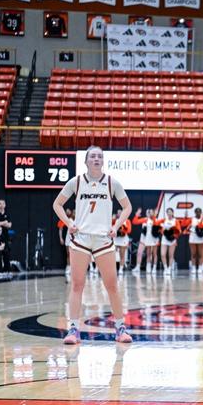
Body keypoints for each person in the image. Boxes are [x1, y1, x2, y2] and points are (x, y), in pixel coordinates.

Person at [52, 145, 133, 344]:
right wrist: (69, 223)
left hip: (103, 239)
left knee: (112, 286)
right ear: (86, 161)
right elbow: (57, 204)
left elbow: (127, 207)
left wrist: (116, 225)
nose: (96, 159)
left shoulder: (112, 182)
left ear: (103, 161)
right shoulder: (76, 182)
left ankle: (120, 328)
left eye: (99, 156)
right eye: (93, 156)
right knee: (77, 285)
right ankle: (73, 330)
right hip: (81, 238)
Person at [160, 208, 181, 276]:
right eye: (168, 212)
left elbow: (179, 231)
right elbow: (160, 228)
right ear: (166, 213)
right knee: (163, 254)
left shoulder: (176, 221)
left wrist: (174, 236)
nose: (169, 213)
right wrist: (164, 232)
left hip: (172, 239)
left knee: (171, 255)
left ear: (173, 213)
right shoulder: (164, 220)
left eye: (170, 212)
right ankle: (165, 268)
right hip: (165, 239)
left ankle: (169, 268)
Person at [187, 208, 203, 275]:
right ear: (195, 212)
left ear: (201, 212)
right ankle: (194, 267)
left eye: (199, 212)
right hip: (193, 236)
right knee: (193, 254)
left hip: (200, 237)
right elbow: (186, 226)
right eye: (197, 212)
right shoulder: (192, 219)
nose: (198, 213)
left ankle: (200, 267)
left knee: (201, 254)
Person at [113, 209, 132, 275]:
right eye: (118, 213)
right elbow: (111, 227)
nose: (119, 214)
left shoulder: (127, 221)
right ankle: (113, 269)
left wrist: (123, 230)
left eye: (121, 212)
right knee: (112, 254)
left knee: (122, 255)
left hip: (123, 239)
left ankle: (121, 269)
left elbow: (129, 230)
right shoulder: (115, 220)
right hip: (116, 239)